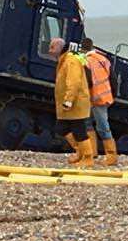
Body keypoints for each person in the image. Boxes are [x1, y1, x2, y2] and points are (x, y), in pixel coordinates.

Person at [48, 37, 93, 168]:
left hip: (75, 103)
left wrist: (68, 100)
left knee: (79, 130)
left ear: (60, 48)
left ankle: (88, 157)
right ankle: (79, 151)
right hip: (69, 103)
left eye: (52, 47)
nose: (50, 50)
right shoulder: (64, 60)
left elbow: (74, 82)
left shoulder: (71, 61)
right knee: (61, 128)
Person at [80, 38, 118, 166]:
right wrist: (114, 95)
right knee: (102, 126)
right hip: (104, 96)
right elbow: (113, 79)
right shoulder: (104, 59)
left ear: (82, 49)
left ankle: (97, 153)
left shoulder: (86, 61)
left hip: (93, 98)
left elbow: (88, 81)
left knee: (91, 125)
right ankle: (109, 155)